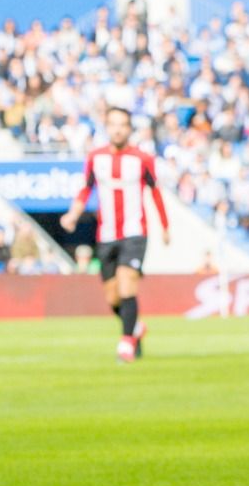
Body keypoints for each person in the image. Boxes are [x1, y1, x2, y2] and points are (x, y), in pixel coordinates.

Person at [60, 107, 170, 364]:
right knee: (112, 296)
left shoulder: (142, 159)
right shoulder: (96, 158)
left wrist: (164, 226)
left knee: (127, 283)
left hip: (134, 233)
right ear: (106, 127)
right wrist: (72, 214)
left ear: (129, 129)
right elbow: (86, 190)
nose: (118, 129)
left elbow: (155, 192)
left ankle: (126, 343)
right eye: (113, 124)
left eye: (123, 124)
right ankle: (135, 328)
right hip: (106, 234)